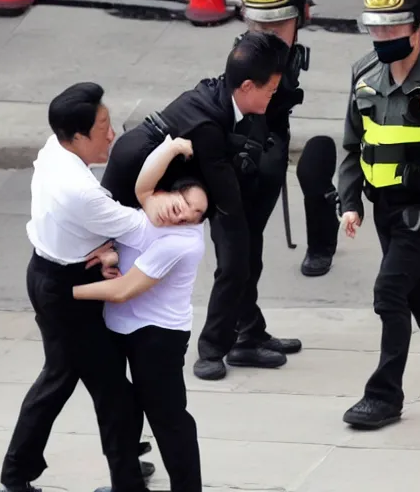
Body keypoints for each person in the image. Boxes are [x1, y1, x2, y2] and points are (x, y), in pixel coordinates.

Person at [0, 82, 189, 492]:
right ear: (77, 136)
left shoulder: (55, 148)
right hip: (66, 291)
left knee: (61, 377)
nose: (112, 133)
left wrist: (102, 248)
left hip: (54, 273)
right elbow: (142, 229)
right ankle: (125, 482)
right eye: (103, 127)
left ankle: (19, 473)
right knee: (112, 391)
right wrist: (157, 199)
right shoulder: (80, 191)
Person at [100, 31, 300, 381]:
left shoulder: (226, 92)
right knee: (235, 260)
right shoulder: (207, 123)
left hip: (184, 169)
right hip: (138, 175)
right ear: (248, 86)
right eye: (270, 90)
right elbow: (227, 198)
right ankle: (212, 350)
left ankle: (248, 332)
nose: (273, 97)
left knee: (245, 255)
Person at [338, 0, 420, 430]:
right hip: (383, 205)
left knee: (390, 292)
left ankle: (384, 395)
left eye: (394, 29)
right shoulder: (363, 74)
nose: (383, 39)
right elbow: (353, 144)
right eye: (376, 30)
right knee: (419, 288)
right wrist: (350, 202)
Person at [74, 135, 207, 492]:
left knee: (168, 417)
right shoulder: (152, 209)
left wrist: (64, 292)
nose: (184, 215)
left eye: (196, 214)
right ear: (168, 193)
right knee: (121, 408)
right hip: (120, 329)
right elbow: (144, 184)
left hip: (158, 336)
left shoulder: (183, 241)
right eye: (183, 203)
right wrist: (172, 146)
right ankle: (128, 481)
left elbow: (122, 290)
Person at [238, 0, 340, 277]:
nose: (266, 35)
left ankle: (322, 242)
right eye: (258, 25)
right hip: (252, 136)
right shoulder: (243, 63)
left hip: (275, 128)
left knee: (315, 162)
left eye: (277, 25)